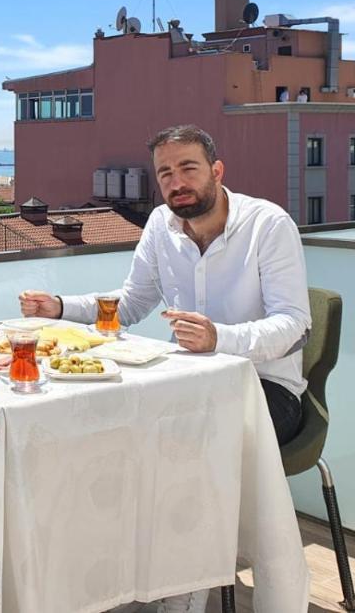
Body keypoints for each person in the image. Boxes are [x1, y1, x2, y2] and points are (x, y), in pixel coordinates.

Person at [19, 124, 311, 613]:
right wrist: (60, 307)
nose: (178, 182)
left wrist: (222, 338)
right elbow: (130, 304)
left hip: (266, 388)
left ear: (217, 171)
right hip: (188, 383)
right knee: (111, 436)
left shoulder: (269, 224)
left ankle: (185, 590)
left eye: (189, 168)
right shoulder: (160, 224)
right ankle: (114, 577)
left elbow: (295, 324)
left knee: (180, 451)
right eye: (166, 173)